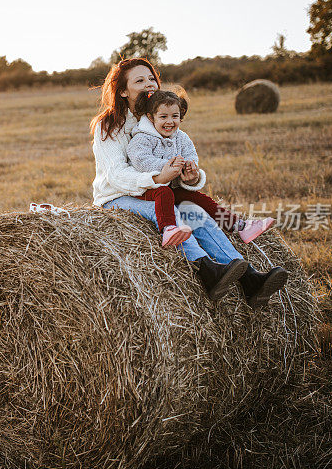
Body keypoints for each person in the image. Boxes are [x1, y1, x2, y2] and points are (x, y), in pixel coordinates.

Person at [90, 58, 287, 306]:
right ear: (123, 91)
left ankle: (249, 279)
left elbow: (182, 155)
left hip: (164, 190)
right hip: (117, 197)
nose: (148, 84)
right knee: (168, 211)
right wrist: (157, 178)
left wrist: (191, 177)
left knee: (194, 212)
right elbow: (116, 175)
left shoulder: (161, 115)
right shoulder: (109, 125)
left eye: (151, 78)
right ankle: (206, 270)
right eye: (139, 81)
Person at [127, 88, 275, 247]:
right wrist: (167, 166)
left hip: (171, 187)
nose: (170, 121)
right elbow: (141, 161)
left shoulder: (181, 137)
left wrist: (190, 168)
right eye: (163, 117)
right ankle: (168, 229)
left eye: (174, 116)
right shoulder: (141, 138)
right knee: (165, 193)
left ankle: (240, 226)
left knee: (196, 197)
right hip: (147, 188)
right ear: (151, 118)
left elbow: (191, 154)